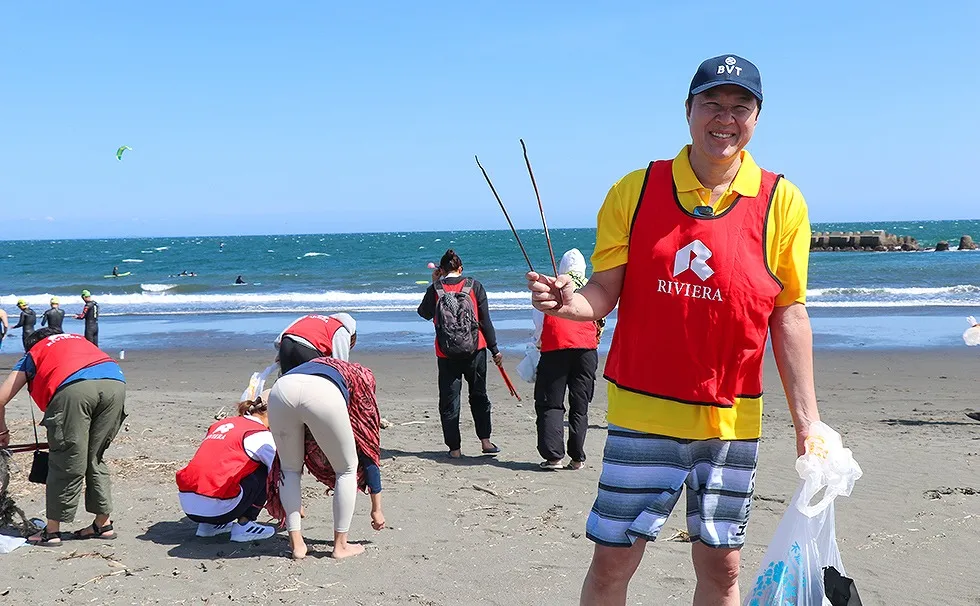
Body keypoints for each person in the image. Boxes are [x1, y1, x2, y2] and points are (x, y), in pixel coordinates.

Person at [526, 55, 820, 606]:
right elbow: (604, 292)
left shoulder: (782, 200)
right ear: (688, 110)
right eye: (711, 103)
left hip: (730, 420)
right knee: (612, 562)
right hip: (643, 412)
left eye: (740, 107)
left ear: (756, 118)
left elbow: (789, 313)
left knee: (723, 568)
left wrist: (809, 423)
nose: (724, 118)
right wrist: (567, 305)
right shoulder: (635, 190)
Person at [0, 327, 127, 546]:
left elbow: (1, 399)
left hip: (74, 388)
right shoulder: (79, 340)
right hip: (115, 382)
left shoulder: (35, 351)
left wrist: (2, 432)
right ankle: (102, 524)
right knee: (95, 457)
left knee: (65, 459)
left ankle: (51, 532)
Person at [265, 356, 385, 560]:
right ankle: (340, 546)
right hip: (322, 392)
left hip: (281, 388)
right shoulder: (362, 381)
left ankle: (297, 545)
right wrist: (377, 509)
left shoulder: (328, 365)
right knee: (346, 469)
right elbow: (369, 448)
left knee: (289, 469)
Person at [417, 249, 502, 458]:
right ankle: (486, 442)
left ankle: (454, 449)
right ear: (460, 269)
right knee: (479, 396)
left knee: (449, 399)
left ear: (441, 270)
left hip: (446, 353)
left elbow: (424, 313)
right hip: (476, 350)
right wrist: (495, 349)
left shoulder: (435, 289)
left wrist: (433, 283)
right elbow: (484, 320)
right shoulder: (474, 285)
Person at [531, 249, 602, 471]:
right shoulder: (592, 289)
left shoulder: (552, 288)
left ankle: (554, 457)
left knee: (550, 403)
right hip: (586, 351)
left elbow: (539, 322)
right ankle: (577, 457)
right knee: (580, 405)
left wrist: (536, 343)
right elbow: (601, 320)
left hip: (555, 349)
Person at [176, 392, 277, 542]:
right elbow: (279, 472)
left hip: (188, 505)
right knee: (266, 467)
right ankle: (245, 524)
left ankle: (208, 527)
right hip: (221, 509)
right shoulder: (261, 434)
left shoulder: (220, 424)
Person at [275, 312, 357, 373]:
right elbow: (340, 364)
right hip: (307, 348)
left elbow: (279, 339)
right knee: (317, 383)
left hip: (285, 344)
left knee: (288, 382)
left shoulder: (309, 317)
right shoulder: (341, 330)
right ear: (352, 338)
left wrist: (280, 354)